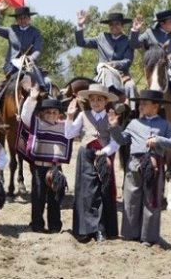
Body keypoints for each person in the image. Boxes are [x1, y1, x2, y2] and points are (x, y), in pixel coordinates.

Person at [108, 89, 171, 247]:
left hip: (154, 165)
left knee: (151, 200)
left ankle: (148, 237)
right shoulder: (133, 123)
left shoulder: (165, 124)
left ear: (156, 106)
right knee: (131, 198)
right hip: (134, 164)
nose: (140, 106)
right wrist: (114, 127)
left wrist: (158, 140)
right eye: (140, 104)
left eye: (144, 104)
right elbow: (122, 140)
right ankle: (130, 234)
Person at [20, 87, 80, 233]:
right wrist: (32, 99)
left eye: (55, 112)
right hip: (39, 166)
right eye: (48, 112)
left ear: (59, 114)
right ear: (42, 113)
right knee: (38, 197)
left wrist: (71, 116)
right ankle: (37, 225)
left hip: (55, 167)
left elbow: (73, 131)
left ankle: (54, 226)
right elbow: (25, 116)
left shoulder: (63, 127)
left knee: (55, 198)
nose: (52, 115)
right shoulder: (37, 123)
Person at [67, 83, 120, 243]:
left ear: (105, 101)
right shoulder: (83, 115)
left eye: (99, 100)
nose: (96, 103)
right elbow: (69, 134)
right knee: (87, 192)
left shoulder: (111, 117)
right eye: (92, 100)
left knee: (102, 193)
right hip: (86, 155)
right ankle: (84, 230)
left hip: (103, 156)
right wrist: (69, 117)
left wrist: (104, 153)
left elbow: (115, 142)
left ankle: (100, 229)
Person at [129, 9, 171, 128]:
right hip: (157, 72)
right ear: (162, 23)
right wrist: (135, 30)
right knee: (146, 93)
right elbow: (133, 45)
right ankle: (136, 119)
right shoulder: (150, 33)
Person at [75, 11, 138, 108]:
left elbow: (128, 61)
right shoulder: (101, 37)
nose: (114, 26)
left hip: (121, 75)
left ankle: (133, 113)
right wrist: (80, 25)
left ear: (122, 25)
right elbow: (81, 42)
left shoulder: (128, 41)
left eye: (117, 24)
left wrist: (114, 64)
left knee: (131, 86)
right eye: (111, 24)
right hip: (101, 74)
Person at [0, 0, 47, 90]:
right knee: (3, 88)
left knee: (45, 81)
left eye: (25, 18)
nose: (22, 20)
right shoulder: (11, 29)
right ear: (16, 19)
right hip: (11, 65)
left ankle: (45, 91)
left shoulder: (35, 32)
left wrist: (30, 57)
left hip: (29, 64)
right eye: (20, 18)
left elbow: (37, 50)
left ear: (29, 18)